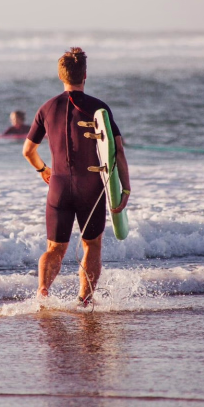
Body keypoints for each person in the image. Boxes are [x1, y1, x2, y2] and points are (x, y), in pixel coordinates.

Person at [22, 47, 130, 305]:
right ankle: (84, 299)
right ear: (85, 75)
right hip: (91, 188)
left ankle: (42, 294)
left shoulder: (46, 108)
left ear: (61, 76)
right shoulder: (99, 108)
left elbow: (28, 150)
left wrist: (42, 169)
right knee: (91, 245)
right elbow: (118, 151)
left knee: (55, 248)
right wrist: (125, 190)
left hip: (57, 186)